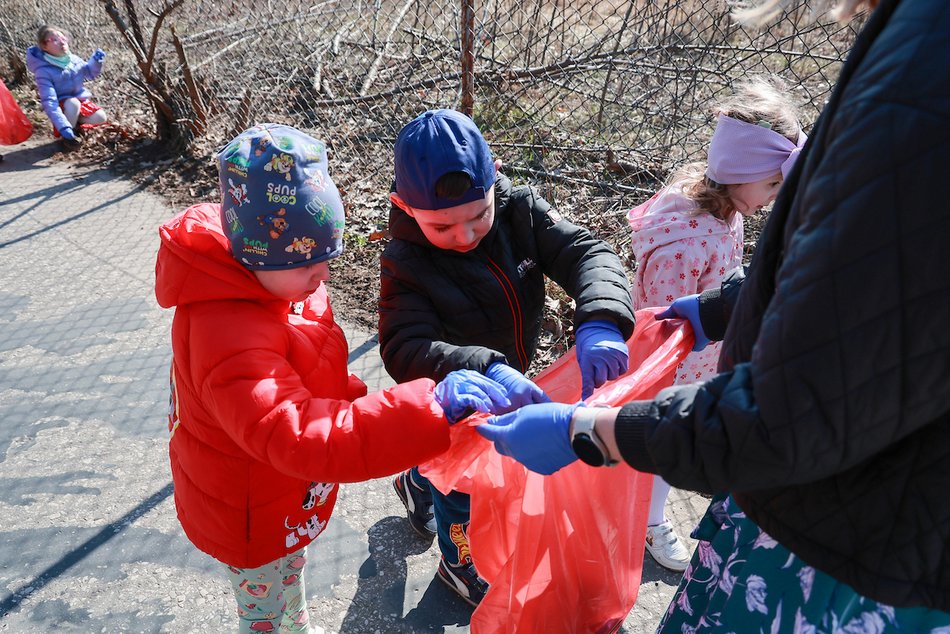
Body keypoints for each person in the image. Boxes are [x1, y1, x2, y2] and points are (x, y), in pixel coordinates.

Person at [478, 0, 950, 629]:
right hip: (764, 454)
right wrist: (720, 309)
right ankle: (645, 524)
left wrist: (587, 433)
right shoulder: (914, 65)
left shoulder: (920, 82)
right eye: (775, 187)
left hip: (825, 523)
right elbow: (842, 287)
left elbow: (790, 410)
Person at [154, 123, 524, 633]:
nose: (323, 275)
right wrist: (427, 409)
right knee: (265, 608)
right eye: (308, 263)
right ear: (255, 254)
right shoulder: (228, 336)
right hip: (248, 510)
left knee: (286, 577)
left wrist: (373, 409)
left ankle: (295, 624)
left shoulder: (284, 287)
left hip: (278, 492)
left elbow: (313, 372)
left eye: (328, 256)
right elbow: (296, 430)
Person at [379, 108, 636, 606]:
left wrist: (602, 317)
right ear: (405, 207)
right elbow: (404, 346)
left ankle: (417, 480)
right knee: (463, 490)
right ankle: (461, 564)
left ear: (495, 177)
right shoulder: (406, 261)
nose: (465, 235)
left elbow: (587, 254)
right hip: (456, 394)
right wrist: (486, 367)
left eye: (479, 214)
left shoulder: (521, 212)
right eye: (442, 226)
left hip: (509, 375)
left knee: (453, 469)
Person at [626, 78, 805, 572]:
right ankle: (647, 521)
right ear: (739, 172)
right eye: (772, 184)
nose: (774, 197)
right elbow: (665, 319)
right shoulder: (686, 243)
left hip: (702, 358)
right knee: (668, 444)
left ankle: (641, 505)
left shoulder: (727, 210)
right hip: (674, 368)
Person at [25, 25, 107, 151]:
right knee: (73, 103)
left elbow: (90, 73)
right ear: (44, 46)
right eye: (55, 40)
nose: (62, 42)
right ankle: (67, 139)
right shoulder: (43, 71)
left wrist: (95, 62)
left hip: (79, 102)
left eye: (63, 38)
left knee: (101, 117)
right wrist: (63, 126)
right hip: (61, 107)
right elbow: (50, 102)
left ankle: (75, 126)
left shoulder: (73, 60)